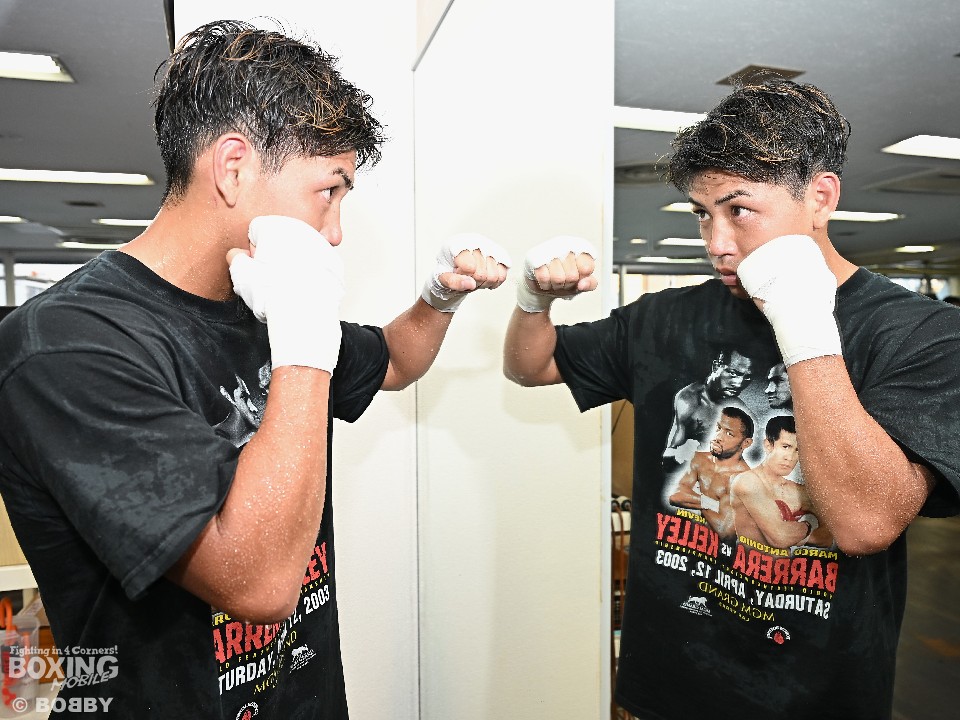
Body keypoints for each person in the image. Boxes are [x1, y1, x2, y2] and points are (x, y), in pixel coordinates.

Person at [0, 21, 510, 719]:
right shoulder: (68, 346)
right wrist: (303, 336)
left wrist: (439, 296)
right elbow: (261, 584)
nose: (335, 232)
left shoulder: (261, 304)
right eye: (328, 191)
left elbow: (395, 360)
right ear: (234, 168)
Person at [503, 79, 960, 719]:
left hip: (815, 698)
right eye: (702, 213)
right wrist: (533, 300)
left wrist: (802, 323)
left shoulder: (917, 333)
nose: (716, 242)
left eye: (739, 209)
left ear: (821, 197)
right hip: (664, 686)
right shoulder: (665, 317)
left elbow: (864, 524)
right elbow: (531, 365)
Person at [730, 415, 832, 549]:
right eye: (785, 446)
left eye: (798, 450)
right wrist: (808, 525)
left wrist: (798, 536)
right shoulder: (746, 481)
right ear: (768, 445)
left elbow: (829, 536)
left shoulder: (799, 491)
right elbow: (780, 537)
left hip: (788, 562)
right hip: (749, 562)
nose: (790, 457)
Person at [667, 406, 753, 538]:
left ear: (746, 443)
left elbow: (725, 531)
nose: (718, 437)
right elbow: (675, 496)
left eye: (729, 434)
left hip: (725, 549)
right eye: (719, 428)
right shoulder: (699, 459)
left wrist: (694, 497)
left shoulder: (743, 479)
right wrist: (714, 504)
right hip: (696, 539)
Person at [662, 349, 754, 468]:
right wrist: (683, 453)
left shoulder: (739, 407)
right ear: (716, 367)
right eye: (733, 373)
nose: (739, 384)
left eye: (747, 377)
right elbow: (669, 457)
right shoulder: (689, 400)